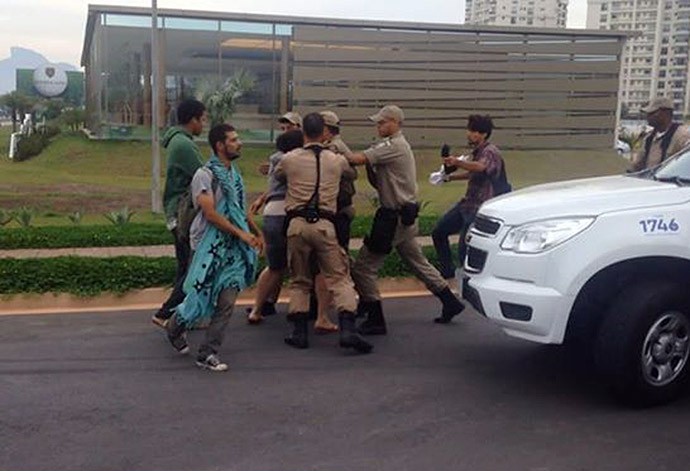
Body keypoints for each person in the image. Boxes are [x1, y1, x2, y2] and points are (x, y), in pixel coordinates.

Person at [345, 105, 465, 334]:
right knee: (417, 261)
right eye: (378, 122)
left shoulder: (393, 146)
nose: (378, 126)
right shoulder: (391, 146)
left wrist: (333, 145)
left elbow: (355, 159)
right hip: (404, 216)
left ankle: (375, 318)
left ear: (395, 123)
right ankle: (450, 302)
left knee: (363, 267)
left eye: (382, 122)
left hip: (394, 217)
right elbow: (378, 182)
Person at [165, 123, 263, 372]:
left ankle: (208, 353)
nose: (239, 143)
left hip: (232, 250)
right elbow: (209, 213)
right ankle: (175, 325)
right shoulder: (204, 175)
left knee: (227, 301)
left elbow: (239, 210)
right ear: (220, 145)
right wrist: (241, 233)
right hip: (208, 247)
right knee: (199, 298)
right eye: (234, 140)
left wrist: (256, 233)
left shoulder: (235, 176)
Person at [274, 112, 372, 354]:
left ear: (303, 132)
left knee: (300, 280)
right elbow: (351, 173)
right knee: (339, 277)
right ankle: (348, 328)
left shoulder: (290, 159)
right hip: (326, 225)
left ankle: (299, 332)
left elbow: (278, 175)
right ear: (324, 131)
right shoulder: (335, 160)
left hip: (296, 225)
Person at [152, 99, 207, 328]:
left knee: (185, 267)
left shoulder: (179, 141)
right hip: (183, 215)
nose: (204, 124)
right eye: (203, 119)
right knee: (192, 269)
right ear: (193, 119)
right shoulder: (184, 145)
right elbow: (204, 175)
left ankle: (182, 315)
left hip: (176, 213)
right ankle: (166, 313)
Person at [432, 114, 506, 281]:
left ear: (484, 134)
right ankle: (447, 271)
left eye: (473, 131)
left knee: (465, 247)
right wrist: (448, 178)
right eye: (469, 130)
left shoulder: (490, 151)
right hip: (468, 203)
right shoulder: (477, 152)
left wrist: (457, 162)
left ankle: (470, 281)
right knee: (439, 231)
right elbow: (473, 172)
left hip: (481, 207)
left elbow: (480, 167)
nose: (469, 134)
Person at [246, 130, 304, 324]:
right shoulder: (293, 161)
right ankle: (300, 311)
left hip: (270, 212)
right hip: (286, 212)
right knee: (299, 265)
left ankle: (257, 308)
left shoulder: (275, 160)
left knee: (274, 266)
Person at [630, 96, 690, 172]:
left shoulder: (682, 136)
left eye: (652, 113)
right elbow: (637, 165)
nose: (648, 116)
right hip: (651, 181)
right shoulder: (649, 138)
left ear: (664, 114)